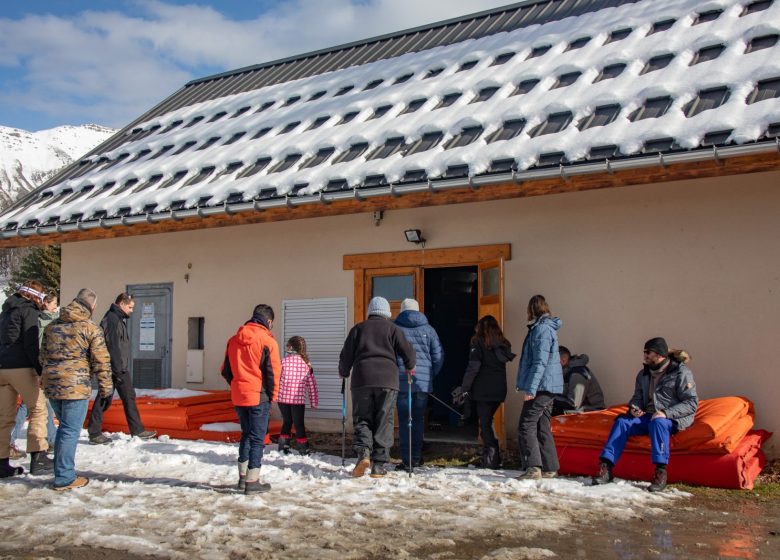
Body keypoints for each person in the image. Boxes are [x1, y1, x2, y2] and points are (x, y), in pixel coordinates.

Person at [593, 337, 698, 492]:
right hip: (648, 416)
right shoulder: (644, 374)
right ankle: (606, 468)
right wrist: (634, 408)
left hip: (671, 418)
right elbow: (637, 397)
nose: (645, 355)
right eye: (644, 352)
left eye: (648, 352)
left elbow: (691, 403)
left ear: (660, 354)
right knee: (622, 422)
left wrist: (665, 413)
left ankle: (660, 472)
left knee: (658, 423)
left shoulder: (680, 372)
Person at [42, 288, 113, 490]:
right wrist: (106, 388)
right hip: (75, 385)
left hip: (52, 383)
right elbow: (101, 360)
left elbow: (42, 355)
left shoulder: (53, 326)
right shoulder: (90, 328)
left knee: (64, 427)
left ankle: (61, 471)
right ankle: (64, 477)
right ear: (91, 306)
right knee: (69, 430)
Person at [339, 296, 415, 478]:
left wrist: (344, 371)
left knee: (362, 418)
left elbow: (346, 355)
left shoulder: (358, 329)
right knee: (384, 420)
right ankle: (378, 466)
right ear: (387, 313)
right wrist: (410, 367)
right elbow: (408, 353)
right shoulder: (393, 329)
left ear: (370, 312)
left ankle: (364, 454)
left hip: (362, 379)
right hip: (388, 380)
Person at [220, 303, 282, 493]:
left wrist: (238, 386)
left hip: (239, 395)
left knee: (246, 434)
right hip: (258, 396)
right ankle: (252, 481)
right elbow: (273, 374)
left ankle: (242, 477)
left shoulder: (233, 340)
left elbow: (225, 370)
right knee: (257, 438)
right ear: (269, 321)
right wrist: (273, 397)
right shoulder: (267, 341)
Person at [0, 279, 53, 478]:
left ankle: (1, 462)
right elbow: (31, 343)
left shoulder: (5, 311)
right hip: (21, 366)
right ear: (35, 296)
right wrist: (39, 369)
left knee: (4, 417)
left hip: (2, 367)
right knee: (38, 408)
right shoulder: (28, 310)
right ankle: (38, 457)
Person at [88, 293, 156, 444]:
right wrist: (117, 369)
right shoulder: (112, 319)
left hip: (117, 366)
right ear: (122, 304)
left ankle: (136, 430)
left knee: (125, 396)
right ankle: (94, 433)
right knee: (105, 398)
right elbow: (113, 346)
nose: (132, 310)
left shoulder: (116, 318)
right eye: (130, 307)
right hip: (114, 367)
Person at [515, 294, 563, 480]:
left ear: (532, 309)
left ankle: (533, 467)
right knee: (542, 425)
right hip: (549, 386)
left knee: (526, 424)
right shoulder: (547, 328)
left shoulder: (541, 330)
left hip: (542, 386)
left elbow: (539, 363)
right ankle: (550, 468)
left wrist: (531, 389)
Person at [9, 291, 62, 458]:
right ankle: (46, 443)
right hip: (39, 365)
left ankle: (51, 440)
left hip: (39, 364)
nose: (56, 307)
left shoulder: (43, 318)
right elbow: (36, 343)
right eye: (53, 303)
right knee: (36, 405)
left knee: (41, 405)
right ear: (45, 303)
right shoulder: (38, 319)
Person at [394, 298, 444, 471]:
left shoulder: (395, 328)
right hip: (422, 384)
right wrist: (429, 375)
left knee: (404, 420)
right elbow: (438, 356)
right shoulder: (429, 330)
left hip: (401, 381)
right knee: (418, 419)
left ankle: (407, 460)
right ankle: (416, 457)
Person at [460, 315, 515, 469]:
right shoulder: (503, 345)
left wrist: (465, 387)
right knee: (487, 422)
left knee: (484, 424)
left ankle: (491, 459)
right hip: (499, 390)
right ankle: (493, 457)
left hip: (483, 390)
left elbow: (473, 368)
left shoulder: (478, 343)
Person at [277, 335, 319, 455]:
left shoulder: (283, 362)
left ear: (290, 347)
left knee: (287, 421)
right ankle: (303, 449)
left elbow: (276, 380)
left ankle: (283, 446)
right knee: (299, 424)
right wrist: (313, 402)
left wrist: (273, 396)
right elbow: (312, 386)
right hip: (298, 400)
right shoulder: (306, 365)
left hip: (282, 399)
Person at [551, 346, 605, 416]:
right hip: (577, 413)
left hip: (593, 414)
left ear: (563, 360)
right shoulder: (563, 372)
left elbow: (573, 405)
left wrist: (548, 397)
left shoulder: (578, 374)